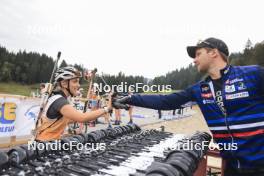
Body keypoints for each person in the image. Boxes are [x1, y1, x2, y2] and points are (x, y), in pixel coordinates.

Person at [113, 37, 264, 176]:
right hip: (233, 168)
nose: (194, 60)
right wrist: (131, 98)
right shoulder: (200, 89)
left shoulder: (253, 74)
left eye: (198, 54)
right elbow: (166, 101)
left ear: (213, 53)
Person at [35, 66, 112, 141]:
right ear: (64, 83)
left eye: (78, 81)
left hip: (49, 142)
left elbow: (64, 121)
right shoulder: (59, 101)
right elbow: (82, 118)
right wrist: (106, 109)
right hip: (45, 146)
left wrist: (73, 132)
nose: (78, 85)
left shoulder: (59, 98)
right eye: (75, 81)